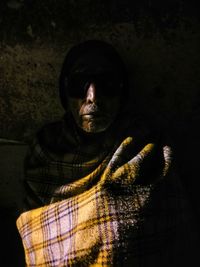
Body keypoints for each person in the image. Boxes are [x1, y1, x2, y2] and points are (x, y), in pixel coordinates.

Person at [16, 40, 197, 267]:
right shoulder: (45, 150)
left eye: (107, 83)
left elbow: (169, 237)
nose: (93, 96)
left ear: (123, 92)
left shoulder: (146, 146)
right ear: (64, 91)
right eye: (79, 84)